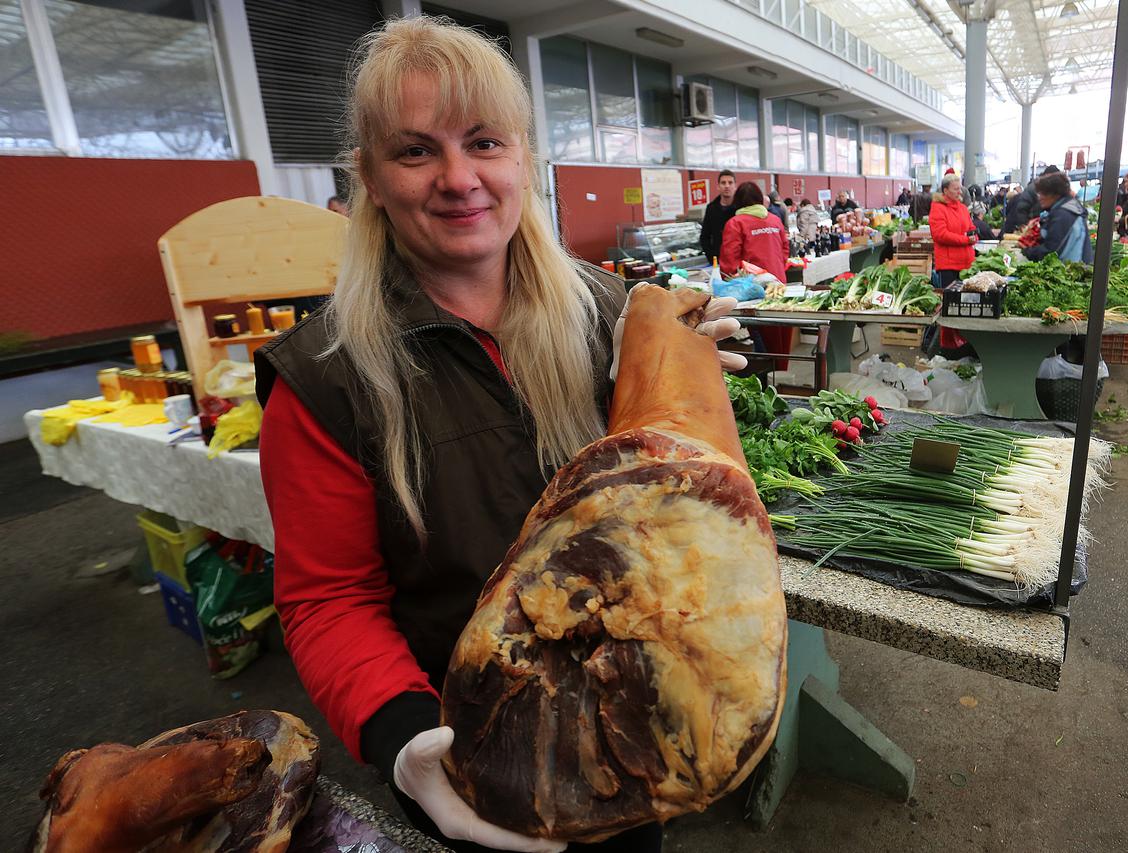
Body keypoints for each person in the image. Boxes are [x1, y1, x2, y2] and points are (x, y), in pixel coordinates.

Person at [255, 19, 747, 853]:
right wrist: (405, 739)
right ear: (369, 177)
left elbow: (667, 536)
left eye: (483, 142)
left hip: (628, 738)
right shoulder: (325, 379)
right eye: (415, 151)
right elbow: (329, 598)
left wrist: (689, 406)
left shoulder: (613, 318)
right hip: (468, 763)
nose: (459, 179)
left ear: (522, 157)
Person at [720, 181, 792, 365]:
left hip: (754, 291)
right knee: (782, 336)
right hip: (779, 285)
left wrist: (729, 283)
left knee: (765, 340)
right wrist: (776, 270)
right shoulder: (774, 220)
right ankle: (782, 375)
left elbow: (729, 261)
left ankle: (768, 380)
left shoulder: (735, 223)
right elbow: (785, 250)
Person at [1023, 171, 1093, 264]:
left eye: (1043, 193)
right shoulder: (1068, 209)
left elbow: (1051, 250)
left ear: (1055, 194)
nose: (1039, 197)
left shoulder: (1063, 214)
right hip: (1074, 267)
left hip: (1069, 271)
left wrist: (1026, 252)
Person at [929, 173, 978, 287]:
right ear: (945, 190)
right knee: (950, 300)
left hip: (967, 264)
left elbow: (971, 228)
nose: (960, 192)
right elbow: (940, 235)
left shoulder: (963, 208)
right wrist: (966, 240)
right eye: (956, 189)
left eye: (960, 188)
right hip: (948, 266)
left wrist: (974, 236)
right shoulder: (938, 208)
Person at [1002, 166, 1060, 235]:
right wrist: (1023, 225)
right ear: (1047, 175)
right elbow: (1022, 207)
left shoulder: (1043, 187)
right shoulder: (1035, 188)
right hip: (1029, 224)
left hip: (1033, 224)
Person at [699, 168, 737, 263]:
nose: (727, 186)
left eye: (730, 182)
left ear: (735, 186)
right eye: (723, 183)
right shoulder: (711, 208)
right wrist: (712, 257)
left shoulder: (741, 208)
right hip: (717, 259)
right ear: (718, 186)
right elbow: (704, 236)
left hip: (738, 260)